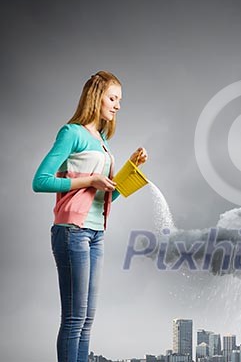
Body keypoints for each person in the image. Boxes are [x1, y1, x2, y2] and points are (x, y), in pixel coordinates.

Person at [32, 71, 148, 362]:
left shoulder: (103, 141)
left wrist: (130, 168)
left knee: (86, 322)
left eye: (120, 100)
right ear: (95, 97)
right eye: (112, 97)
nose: (118, 105)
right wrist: (90, 180)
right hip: (72, 231)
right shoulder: (72, 133)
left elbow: (108, 195)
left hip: (96, 233)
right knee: (73, 320)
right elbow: (40, 181)